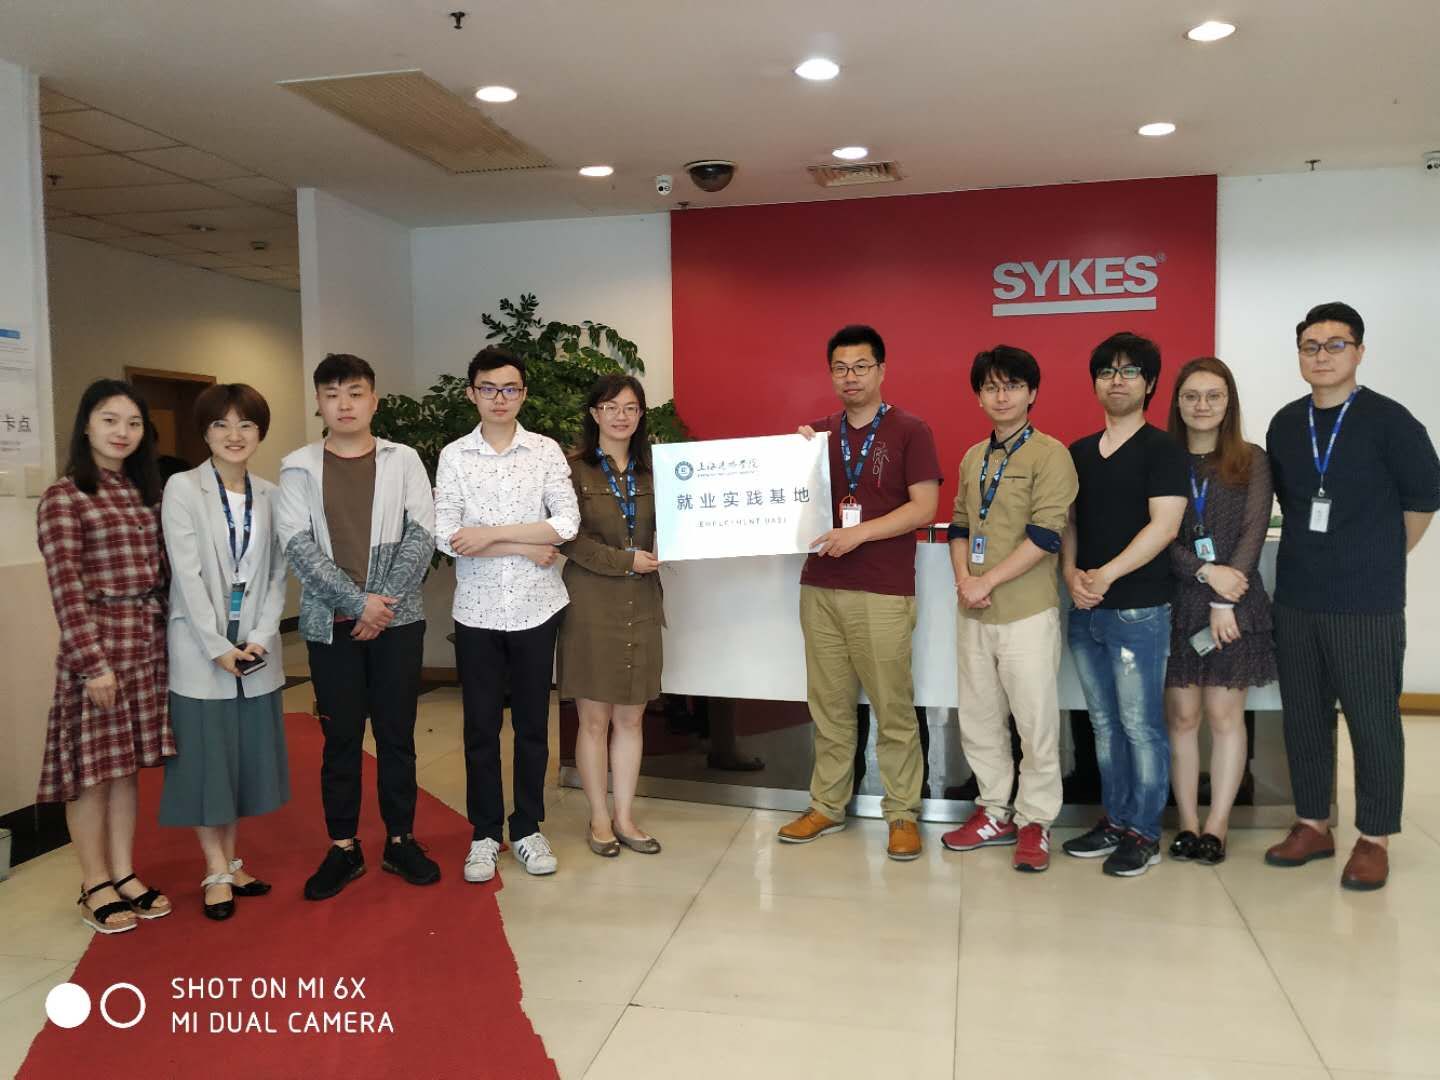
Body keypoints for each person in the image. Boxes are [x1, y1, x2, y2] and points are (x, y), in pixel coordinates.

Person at [1263, 302, 1439, 890]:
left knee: (1372, 721)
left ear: (1359, 352)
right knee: (1304, 717)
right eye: (1310, 346)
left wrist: (1381, 557)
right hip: (1297, 596)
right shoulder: (1286, 424)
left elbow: (1424, 501)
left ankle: (1374, 837)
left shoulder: (1392, 421)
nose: (1322, 356)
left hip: (1367, 601)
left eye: (1335, 345)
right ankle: (1313, 823)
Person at [277, 353, 440, 900]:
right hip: (330, 626)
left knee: (397, 735)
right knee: (341, 737)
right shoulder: (298, 467)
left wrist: (380, 605)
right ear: (318, 403)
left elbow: (422, 533)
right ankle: (343, 847)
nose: (344, 404)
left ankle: (400, 839)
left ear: (374, 400)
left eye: (354, 393)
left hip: (398, 622)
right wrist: (356, 603)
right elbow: (297, 544)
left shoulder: (403, 459)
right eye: (332, 395)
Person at [776, 324, 941, 861]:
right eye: (841, 368)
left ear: (881, 370)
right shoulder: (818, 436)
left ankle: (902, 812)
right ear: (831, 374)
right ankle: (827, 804)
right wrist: (791, 459)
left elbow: (925, 508)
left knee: (893, 708)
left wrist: (859, 534)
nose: (851, 377)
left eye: (861, 366)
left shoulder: (911, 430)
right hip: (821, 586)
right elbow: (790, 501)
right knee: (829, 708)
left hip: (883, 591)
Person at [433, 346, 580, 882]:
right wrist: (522, 544)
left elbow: (566, 523)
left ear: (523, 394)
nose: (500, 398)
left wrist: (489, 535)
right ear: (471, 393)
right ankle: (484, 833)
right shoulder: (455, 456)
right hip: (476, 611)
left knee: (533, 725)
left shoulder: (544, 451)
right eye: (489, 388)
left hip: (537, 607)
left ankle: (527, 827)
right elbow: (447, 535)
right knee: (480, 726)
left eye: (510, 388)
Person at [37, 379, 174, 933]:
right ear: (86, 426)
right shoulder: (65, 496)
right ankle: (94, 883)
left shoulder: (144, 492)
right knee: (92, 773)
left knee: (124, 769)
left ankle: (124, 872)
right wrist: (92, 665)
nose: (122, 432)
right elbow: (66, 589)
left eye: (134, 423)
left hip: (146, 642)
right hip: (98, 648)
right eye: (110, 420)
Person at [940, 346, 1077, 873]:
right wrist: (964, 581)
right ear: (978, 395)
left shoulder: (1051, 455)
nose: (1002, 396)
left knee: (1035, 723)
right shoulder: (973, 457)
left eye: (1013, 386)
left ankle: (1035, 820)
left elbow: (1046, 535)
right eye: (991, 387)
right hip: (974, 611)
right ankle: (993, 811)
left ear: (1032, 392)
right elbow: (958, 525)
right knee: (979, 719)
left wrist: (986, 581)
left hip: (1026, 613)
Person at [158, 384, 290, 920]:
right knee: (206, 759)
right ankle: (214, 867)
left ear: (260, 432)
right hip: (200, 643)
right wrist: (216, 646)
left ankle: (232, 861)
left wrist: (261, 634)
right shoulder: (183, 488)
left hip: (253, 645)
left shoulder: (272, 494)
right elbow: (186, 575)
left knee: (238, 759)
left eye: (246, 425)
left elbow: (277, 572)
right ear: (205, 432)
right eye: (221, 424)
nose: (234, 435)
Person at [1061, 332, 1187, 877]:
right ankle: (1114, 820)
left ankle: (1144, 832)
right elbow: (1067, 523)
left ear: (1150, 383)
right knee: (1104, 725)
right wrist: (1070, 573)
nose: (1117, 380)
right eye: (1107, 371)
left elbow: (1165, 525)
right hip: (1085, 608)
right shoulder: (1078, 452)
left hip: (1139, 609)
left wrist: (1106, 575)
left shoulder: (1163, 450)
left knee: (1140, 726)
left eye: (1130, 371)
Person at [1163, 358, 1276, 867]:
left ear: (1229, 402)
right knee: (1183, 718)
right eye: (1191, 396)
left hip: (1236, 604)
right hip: (1178, 601)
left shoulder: (1252, 460)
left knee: (1224, 715)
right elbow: (1158, 536)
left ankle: (1217, 826)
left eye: (1214, 395)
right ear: (1178, 403)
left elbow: (1254, 531)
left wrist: (1225, 597)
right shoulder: (1163, 459)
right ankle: (1188, 823)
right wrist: (1207, 575)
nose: (1202, 405)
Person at [558, 374, 664, 858]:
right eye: (611, 407)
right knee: (595, 719)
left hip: (642, 602)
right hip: (591, 602)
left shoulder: (654, 472)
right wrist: (625, 561)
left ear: (641, 415)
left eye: (631, 408)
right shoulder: (572, 470)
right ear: (594, 413)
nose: (621, 416)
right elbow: (567, 539)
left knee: (632, 717)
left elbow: (677, 526)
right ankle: (599, 818)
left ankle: (625, 816)